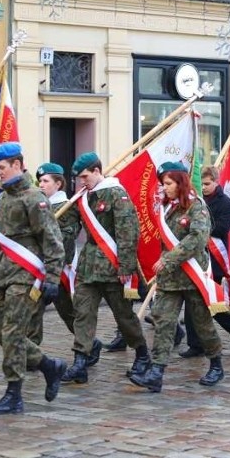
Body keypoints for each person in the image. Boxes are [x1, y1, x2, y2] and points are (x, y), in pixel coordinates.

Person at [0, 142, 67, 414]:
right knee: (1, 334)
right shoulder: (3, 199)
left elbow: (52, 240)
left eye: (2, 168)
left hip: (26, 276)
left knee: (13, 334)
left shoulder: (34, 198)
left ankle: (13, 394)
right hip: (4, 274)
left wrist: (52, 278)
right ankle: (50, 367)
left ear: (17, 165)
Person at [130, 162, 224, 392]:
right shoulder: (166, 207)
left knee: (202, 324)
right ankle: (156, 372)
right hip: (171, 279)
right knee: (164, 323)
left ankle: (216, 364)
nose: (165, 188)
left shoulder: (196, 206)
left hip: (192, 275)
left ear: (180, 182)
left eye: (169, 184)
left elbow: (198, 239)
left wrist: (169, 258)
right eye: (163, 184)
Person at [61, 152, 150, 385]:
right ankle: (80, 361)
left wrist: (126, 266)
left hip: (113, 268)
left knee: (124, 316)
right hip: (88, 267)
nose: (82, 181)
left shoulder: (116, 194)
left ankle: (142, 354)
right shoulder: (82, 197)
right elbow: (68, 226)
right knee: (83, 314)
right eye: (79, 178)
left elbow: (128, 232)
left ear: (97, 171)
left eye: (85, 176)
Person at [29, 163, 106, 364]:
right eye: (40, 181)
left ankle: (90, 344)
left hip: (59, 268)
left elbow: (66, 239)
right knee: (34, 309)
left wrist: (54, 265)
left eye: (46, 181)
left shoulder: (67, 207)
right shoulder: (40, 204)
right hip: (39, 266)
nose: (41, 185)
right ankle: (32, 354)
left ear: (59, 183)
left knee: (69, 312)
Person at [180, 166, 230, 357]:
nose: (204, 187)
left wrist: (200, 225)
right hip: (194, 258)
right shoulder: (194, 201)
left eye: (208, 184)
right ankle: (195, 344)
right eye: (203, 184)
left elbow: (222, 229)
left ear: (216, 181)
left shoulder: (226, 203)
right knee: (192, 303)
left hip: (214, 259)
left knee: (210, 303)